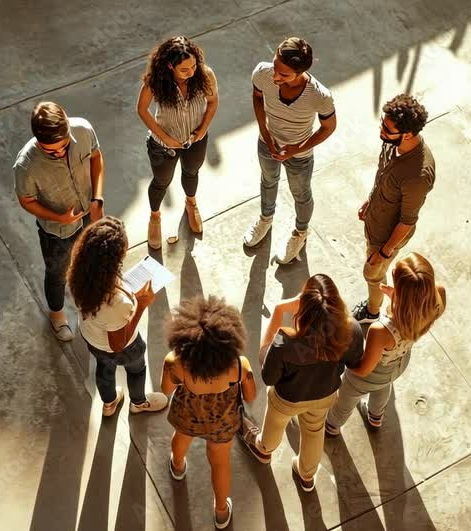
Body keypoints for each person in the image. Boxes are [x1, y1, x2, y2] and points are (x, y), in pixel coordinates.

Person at [239, 274, 363, 492]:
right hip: (325, 395)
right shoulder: (352, 330)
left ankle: (264, 449)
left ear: (304, 309)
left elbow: (268, 375)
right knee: (314, 431)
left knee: (275, 424)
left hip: (287, 398)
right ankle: (307, 475)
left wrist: (278, 312)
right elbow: (354, 362)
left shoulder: (285, 341)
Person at [14, 101, 106, 341]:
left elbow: (96, 158)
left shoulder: (83, 130)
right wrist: (58, 217)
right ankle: (57, 315)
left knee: (92, 257)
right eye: (51, 151)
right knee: (57, 273)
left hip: (90, 211)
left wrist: (97, 198)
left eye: (64, 146)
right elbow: (26, 200)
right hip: (57, 230)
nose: (60, 153)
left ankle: (91, 299)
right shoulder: (26, 165)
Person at [161, 296, 256, 529]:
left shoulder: (175, 362)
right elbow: (251, 396)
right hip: (223, 422)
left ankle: (178, 465)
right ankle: (221, 510)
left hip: (187, 414)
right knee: (221, 463)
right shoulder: (238, 365)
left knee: (180, 439)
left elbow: (165, 390)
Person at [327, 253, 446, 434]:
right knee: (382, 388)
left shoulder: (381, 330)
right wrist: (398, 298)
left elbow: (365, 370)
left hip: (370, 375)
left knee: (347, 396)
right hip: (399, 364)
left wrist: (347, 364)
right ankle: (376, 417)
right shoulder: (437, 298)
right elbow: (415, 308)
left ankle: (332, 425)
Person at [243, 37, 337, 264]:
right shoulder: (263, 73)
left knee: (301, 194)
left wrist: (296, 149)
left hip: (300, 156)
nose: (275, 77)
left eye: (284, 75)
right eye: (275, 66)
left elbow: (328, 127)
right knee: (268, 180)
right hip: (267, 144)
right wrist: (265, 133)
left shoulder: (320, 97)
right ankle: (266, 219)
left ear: (301, 72)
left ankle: (300, 233)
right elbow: (257, 98)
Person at [67, 217, 168, 416]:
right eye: (121, 254)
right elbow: (118, 345)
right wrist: (140, 305)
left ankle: (109, 403)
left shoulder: (80, 273)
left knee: (104, 369)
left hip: (92, 338)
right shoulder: (116, 303)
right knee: (136, 370)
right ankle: (138, 403)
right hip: (124, 346)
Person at [352, 94, 436, 323]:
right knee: (374, 272)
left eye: (387, 129)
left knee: (372, 273)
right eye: (383, 123)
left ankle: (372, 311)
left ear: (407, 134)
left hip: (386, 237)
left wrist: (383, 253)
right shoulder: (393, 142)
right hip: (376, 220)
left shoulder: (417, 176)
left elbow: (407, 222)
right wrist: (371, 200)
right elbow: (383, 174)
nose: (381, 130)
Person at [137, 36, 220, 250]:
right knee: (161, 182)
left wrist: (202, 130)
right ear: (169, 65)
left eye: (194, 66)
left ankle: (191, 204)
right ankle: (155, 218)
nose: (191, 72)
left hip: (195, 140)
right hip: (163, 146)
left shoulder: (205, 74)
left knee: (192, 173)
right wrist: (165, 138)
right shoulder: (155, 81)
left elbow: (212, 102)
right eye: (184, 69)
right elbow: (142, 109)